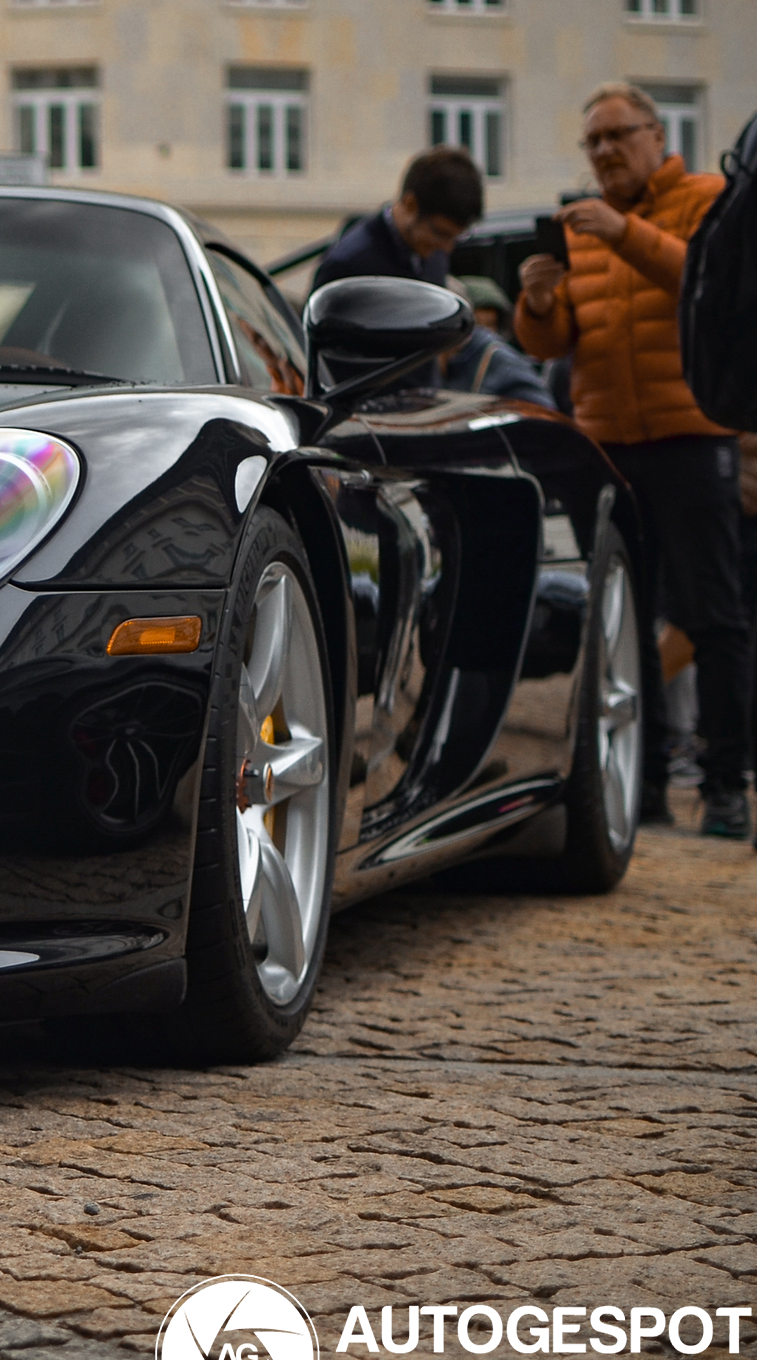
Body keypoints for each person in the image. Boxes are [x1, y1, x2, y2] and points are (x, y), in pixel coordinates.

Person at [515, 82, 738, 836]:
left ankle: (726, 787)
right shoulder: (578, 229)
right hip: (609, 444)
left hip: (693, 431)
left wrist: (620, 233)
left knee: (714, 613)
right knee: (625, 622)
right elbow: (554, 343)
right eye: (593, 141)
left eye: (618, 135)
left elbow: (709, 287)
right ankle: (639, 791)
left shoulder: (706, 199)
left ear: (656, 135)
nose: (605, 151)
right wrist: (539, 306)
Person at [312, 146, 487, 290]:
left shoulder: (433, 254)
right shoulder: (349, 266)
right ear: (410, 205)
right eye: (440, 233)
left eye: (455, 237)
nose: (447, 247)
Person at [437, 276, 554, 405]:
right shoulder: (451, 361)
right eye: (479, 323)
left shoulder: (498, 361)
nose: (489, 332)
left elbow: (544, 415)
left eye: (491, 324)